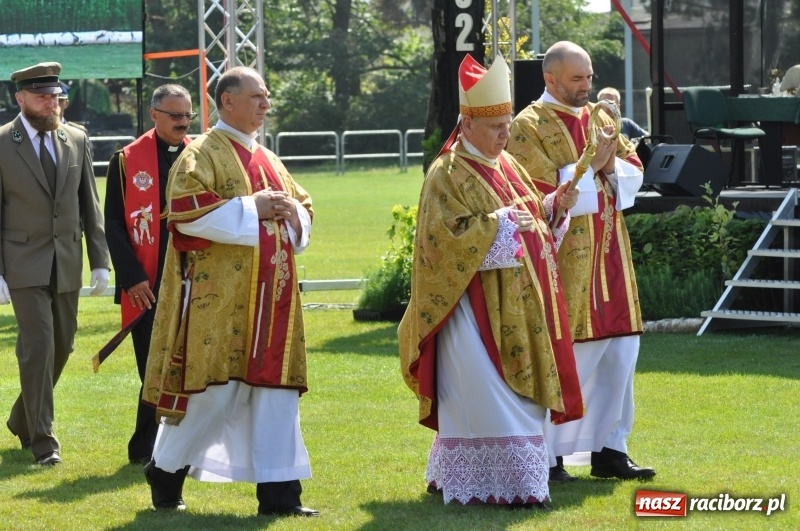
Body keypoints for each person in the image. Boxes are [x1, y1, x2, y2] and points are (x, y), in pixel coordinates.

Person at [398, 53, 584, 509]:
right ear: (467, 125)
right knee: (487, 390)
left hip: (518, 303)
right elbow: (443, 241)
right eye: (497, 126)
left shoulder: (506, 165)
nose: (506, 134)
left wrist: (554, 204)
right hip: (472, 310)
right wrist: (499, 224)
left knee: (515, 393)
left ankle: (504, 481)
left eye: (506, 124)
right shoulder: (447, 173)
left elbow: (530, 214)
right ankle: (504, 485)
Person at [141, 66, 318, 517]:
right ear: (226, 102)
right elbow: (184, 213)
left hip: (273, 305)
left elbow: (303, 207)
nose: (266, 103)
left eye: (267, 96)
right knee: (211, 395)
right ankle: (164, 473)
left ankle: (280, 497)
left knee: (275, 397)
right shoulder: (201, 152)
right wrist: (251, 208)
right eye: (257, 96)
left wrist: (292, 213)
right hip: (220, 302)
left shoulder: (270, 158)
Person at [506, 41, 655, 482]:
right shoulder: (526, 126)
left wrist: (610, 167)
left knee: (621, 353)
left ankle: (611, 448)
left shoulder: (602, 117)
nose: (587, 86)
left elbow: (634, 168)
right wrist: (593, 169)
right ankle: (550, 455)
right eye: (577, 79)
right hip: (564, 260)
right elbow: (535, 190)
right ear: (550, 79)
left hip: (611, 254)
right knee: (571, 355)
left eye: (589, 77)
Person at [0, 62, 110, 466]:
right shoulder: (1, 143)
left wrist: (99, 261)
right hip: (21, 263)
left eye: (56, 96)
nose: (52, 104)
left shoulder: (76, 138)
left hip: (67, 262)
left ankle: (20, 420)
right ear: (21, 98)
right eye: (43, 97)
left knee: (61, 345)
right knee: (39, 346)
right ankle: (44, 441)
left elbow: (89, 206)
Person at [103, 84, 193, 465]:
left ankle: (164, 449)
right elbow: (113, 224)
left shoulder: (199, 156)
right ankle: (145, 449)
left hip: (192, 280)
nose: (183, 122)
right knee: (152, 368)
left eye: (188, 115)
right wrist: (132, 277)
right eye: (175, 116)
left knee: (187, 369)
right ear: (154, 115)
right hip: (148, 283)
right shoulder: (126, 160)